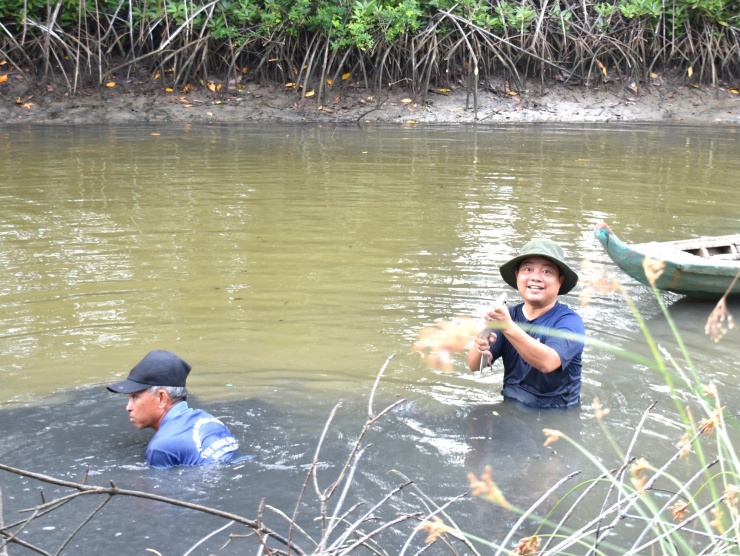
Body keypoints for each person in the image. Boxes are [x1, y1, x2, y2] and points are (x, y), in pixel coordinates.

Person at [467, 238, 585, 408]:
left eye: (547, 272)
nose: (536, 277)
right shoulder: (508, 315)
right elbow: (474, 366)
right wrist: (480, 345)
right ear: (517, 276)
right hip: (508, 407)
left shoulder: (569, 321)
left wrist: (508, 327)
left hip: (554, 417)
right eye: (528, 269)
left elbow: (548, 362)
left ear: (560, 281)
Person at [107, 350, 239, 468]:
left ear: (161, 398)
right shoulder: (209, 419)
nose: (128, 407)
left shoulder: (160, 447)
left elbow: (158, 494)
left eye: (134, 397)